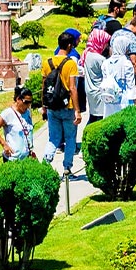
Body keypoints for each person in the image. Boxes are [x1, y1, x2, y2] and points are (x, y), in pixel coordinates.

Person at [41, 31, 81, 175]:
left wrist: (44, 106)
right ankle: (67, 167)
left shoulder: (47, 62)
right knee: (70, 137)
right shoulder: (70, 64)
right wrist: (77, 110)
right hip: (67, 106)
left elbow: (44, 87)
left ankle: (46, 162)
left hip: (52, 106)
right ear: (70, 45)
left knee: (54, 138)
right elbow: (72, 88)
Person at [0, 88, 35, 161]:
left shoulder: (27, 112)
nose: (28, 105)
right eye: (26, 102)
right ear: (18, 99)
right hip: (12, 158)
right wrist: (3, 144)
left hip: (27, 157)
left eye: (30, 102)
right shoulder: (8, 113)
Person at [81, 28, 112, 125]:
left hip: (90, 90)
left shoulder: (87, 54)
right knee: (99, 118)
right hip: (99, 92)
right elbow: (109, 74)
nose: (106, 45)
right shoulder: (100, 59)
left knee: (93, 115)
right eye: (105, 43)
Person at [110, 15, 136, 86]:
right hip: (126, 75)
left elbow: (111, 51)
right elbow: (134, 61)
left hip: (113, 71)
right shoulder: (133, 38)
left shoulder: (116, 33)